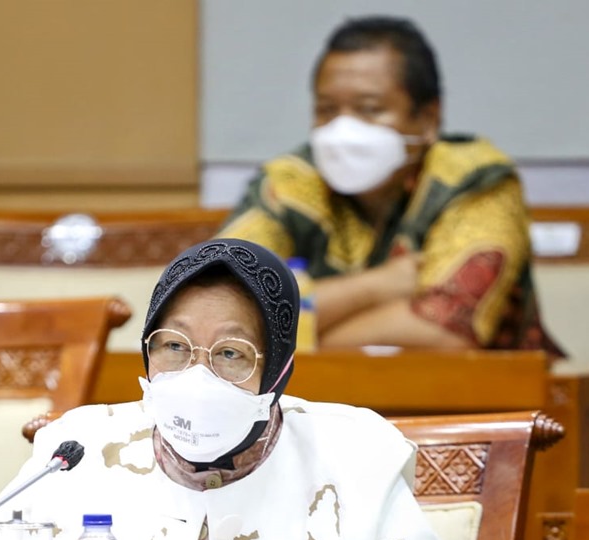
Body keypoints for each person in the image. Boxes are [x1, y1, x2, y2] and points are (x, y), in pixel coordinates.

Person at [0, 238, 466, 540]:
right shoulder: (80, 447)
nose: (196, 374)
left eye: (230, 352)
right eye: (173, 346)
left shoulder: (355, 451)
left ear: (278, 369)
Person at [219, 16, 561, 354]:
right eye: (326, 110)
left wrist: (288, 343)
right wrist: (376, 287)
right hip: (308, 403)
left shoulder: (475, 180)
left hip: (476, 401)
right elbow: (220, 305)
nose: (343, 130)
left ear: (428, 119)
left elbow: (443, 331)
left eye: (369, 110)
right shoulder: (291, 182)